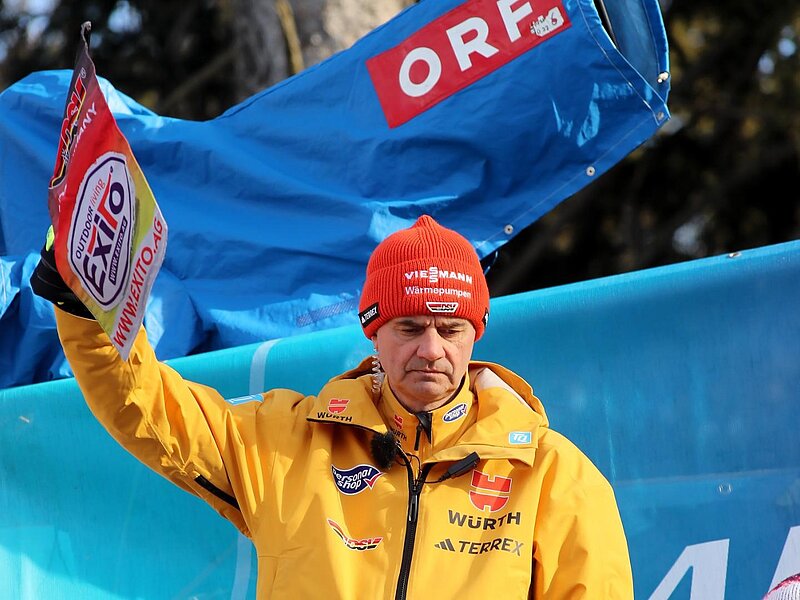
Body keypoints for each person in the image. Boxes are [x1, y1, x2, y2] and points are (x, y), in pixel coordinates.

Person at [33, 215, 633, 598]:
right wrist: (89, 308)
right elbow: (148, 409)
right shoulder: (288, 443)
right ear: (372, 332)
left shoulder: (554, 476)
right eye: (409, 327)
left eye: (450, 329)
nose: (431, 350)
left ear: (475, 332)